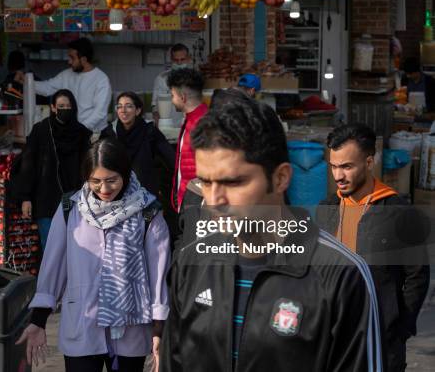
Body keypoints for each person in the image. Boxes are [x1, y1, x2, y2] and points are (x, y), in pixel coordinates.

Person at [160, 96, 383, 372]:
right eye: (205, 182)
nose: (215, 200)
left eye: (233, 182)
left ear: (280, 178)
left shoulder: (341, 276)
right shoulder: (191, 263)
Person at [16, 138, 171, 372]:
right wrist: (38, 320)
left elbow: (158, 273)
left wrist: (159, 330)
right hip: (83, 321)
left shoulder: (148, 211)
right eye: (95, 181)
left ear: (125, 174)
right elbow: (53, 268)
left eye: (112, 180)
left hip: (130, 328)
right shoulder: (71, 208)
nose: (105, 189)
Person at [316, 123, 430, 372]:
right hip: (334, 337)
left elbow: (417, 274)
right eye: (334, 166)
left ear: (369, 162)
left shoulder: (397, 211)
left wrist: (399, 328)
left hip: (382, 340)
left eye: (347, 166)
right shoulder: (327, 210)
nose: (338, 176)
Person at [11, 89, 92, 248]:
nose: (65, 109)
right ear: (53, 108)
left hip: (76, 200)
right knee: (50, 248)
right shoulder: (41, 130)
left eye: (68, 106)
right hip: (46, 199)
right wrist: (25, 197)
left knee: (77, 247)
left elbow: (88, 166)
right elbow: (29, 164)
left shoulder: (81, 133)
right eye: (61, 106)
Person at [100, 91, 175, 197]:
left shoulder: (150, 132)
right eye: (119, 107)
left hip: (146, 194)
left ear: (138, 110)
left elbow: (171, 160)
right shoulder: (109, 133)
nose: (123, 110)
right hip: (118, 194)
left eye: (129, 106)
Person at [34, 38, 112, 133]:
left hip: (94, 135)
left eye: (72, 58)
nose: (69, 61)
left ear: (83, 59)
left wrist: (79, 129)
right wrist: (27, 82)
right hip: (73, 133)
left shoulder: (101, 79)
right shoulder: (66, 74)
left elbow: (99, 113)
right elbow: (48, 88)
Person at [167, 68, 208, 212]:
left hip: (197, 205)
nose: (172, 100)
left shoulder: (203, 123)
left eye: (172, 95)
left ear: (182, 97)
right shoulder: (193, 119)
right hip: (189, 201)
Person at [152, 43, 192, 126]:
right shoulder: (161, 78)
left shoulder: (195, 79)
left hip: (190, 126)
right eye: (176, 60)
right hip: (168, 125)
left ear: (188, 59)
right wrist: (158, 129)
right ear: (171, 59)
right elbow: (155, 107)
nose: (179, 63)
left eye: (182, 59)